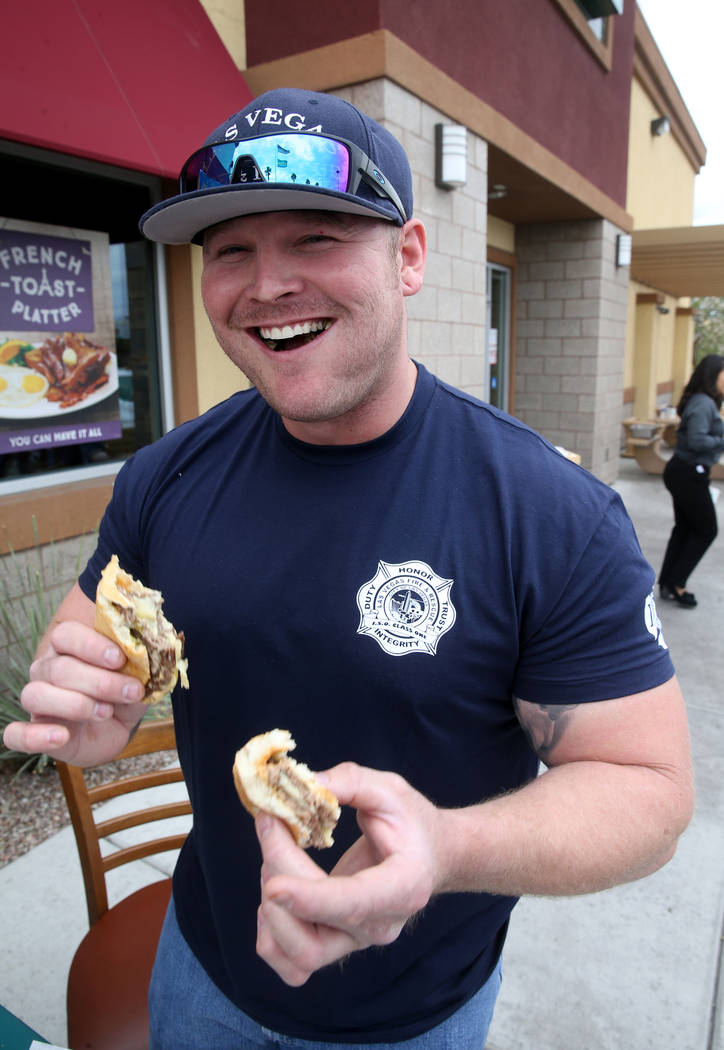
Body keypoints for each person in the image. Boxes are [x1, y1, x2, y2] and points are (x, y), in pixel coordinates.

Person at [4, 89, 694, 1049]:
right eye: (231, 250)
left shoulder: (548, 514)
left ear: (408, 256)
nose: (267, 284)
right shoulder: (165, 476)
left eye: (317, 237)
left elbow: (650, 788)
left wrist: (451, 847)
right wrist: (85, 704)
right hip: (201, 967)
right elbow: (80, 642)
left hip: (418, 1014)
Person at [659, 353, 724, 608]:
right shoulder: (702, 404)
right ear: (712, 376)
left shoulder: (705, 402)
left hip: (686, 471)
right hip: (687, 473)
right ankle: (677, 583)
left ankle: (667, 581)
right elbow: (697, 440)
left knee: (685, 528)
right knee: (707, 530)